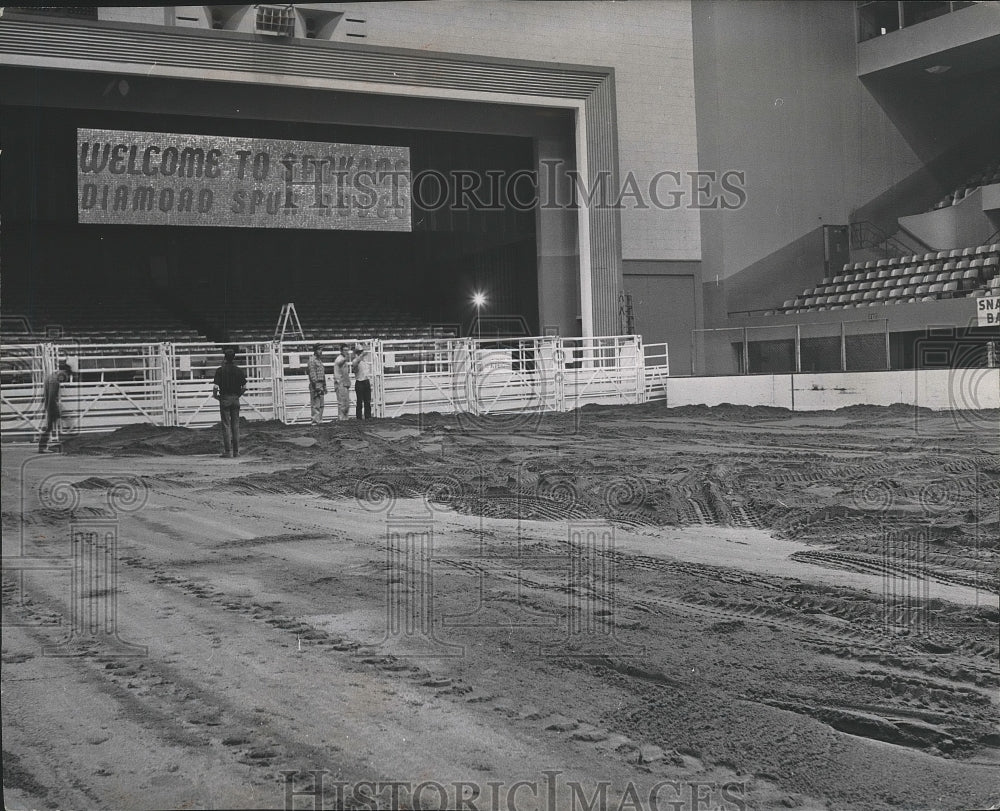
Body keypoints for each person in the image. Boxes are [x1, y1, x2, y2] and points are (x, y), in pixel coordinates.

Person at [212, 347, 247, 458]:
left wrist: (215, 396)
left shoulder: (220, 370)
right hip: (235, 399)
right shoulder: (238, 370)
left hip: (225, 398)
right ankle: (236, 451)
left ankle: (228, 451)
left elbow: (215, 387)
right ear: (234, 358)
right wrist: (238, 396)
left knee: (226, 425)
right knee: (235, 425)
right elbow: (245, 387)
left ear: (225, 358)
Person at [38, 361, 73, 453]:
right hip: (51, 405)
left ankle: (42, 446)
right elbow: (52, 397)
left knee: (49, 426)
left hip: (50, 405)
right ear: (64, 373)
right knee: (49, 426)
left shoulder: (51, 377)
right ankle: (42, 446)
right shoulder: (55, 381)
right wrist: (53, 410)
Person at [306, 344, 327, 425]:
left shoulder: (319, 361)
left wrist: (324, 386)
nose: (320, 351)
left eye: (321, 349)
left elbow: (322, 374)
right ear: (315, 350)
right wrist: (316, 385)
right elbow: (312, 374)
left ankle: (319, 421)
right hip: (316, 384)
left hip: (320, 383)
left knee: (321, 404)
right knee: (316, 404)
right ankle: (315, 421)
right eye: (319, 349)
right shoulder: (312, 360)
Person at [352, 342, 372, 420]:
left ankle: (368, 417)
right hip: (360, 381)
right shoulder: (355, 361)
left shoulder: (364, 361)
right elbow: (356, 364)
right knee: (360, 402)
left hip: (365, 380)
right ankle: (359, 418)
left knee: (367, 401)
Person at [332, 344, 352, 420]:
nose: (346, 352)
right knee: (342, 403)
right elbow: (340, 363)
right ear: (341, 351)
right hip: (340, 383)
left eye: (347, 350)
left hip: (345, 383)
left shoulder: (343, 359)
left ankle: (345, 418)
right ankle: (341, 419)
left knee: (346, 403)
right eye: (345, 350)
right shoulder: (339, 359)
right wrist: (345, 359)